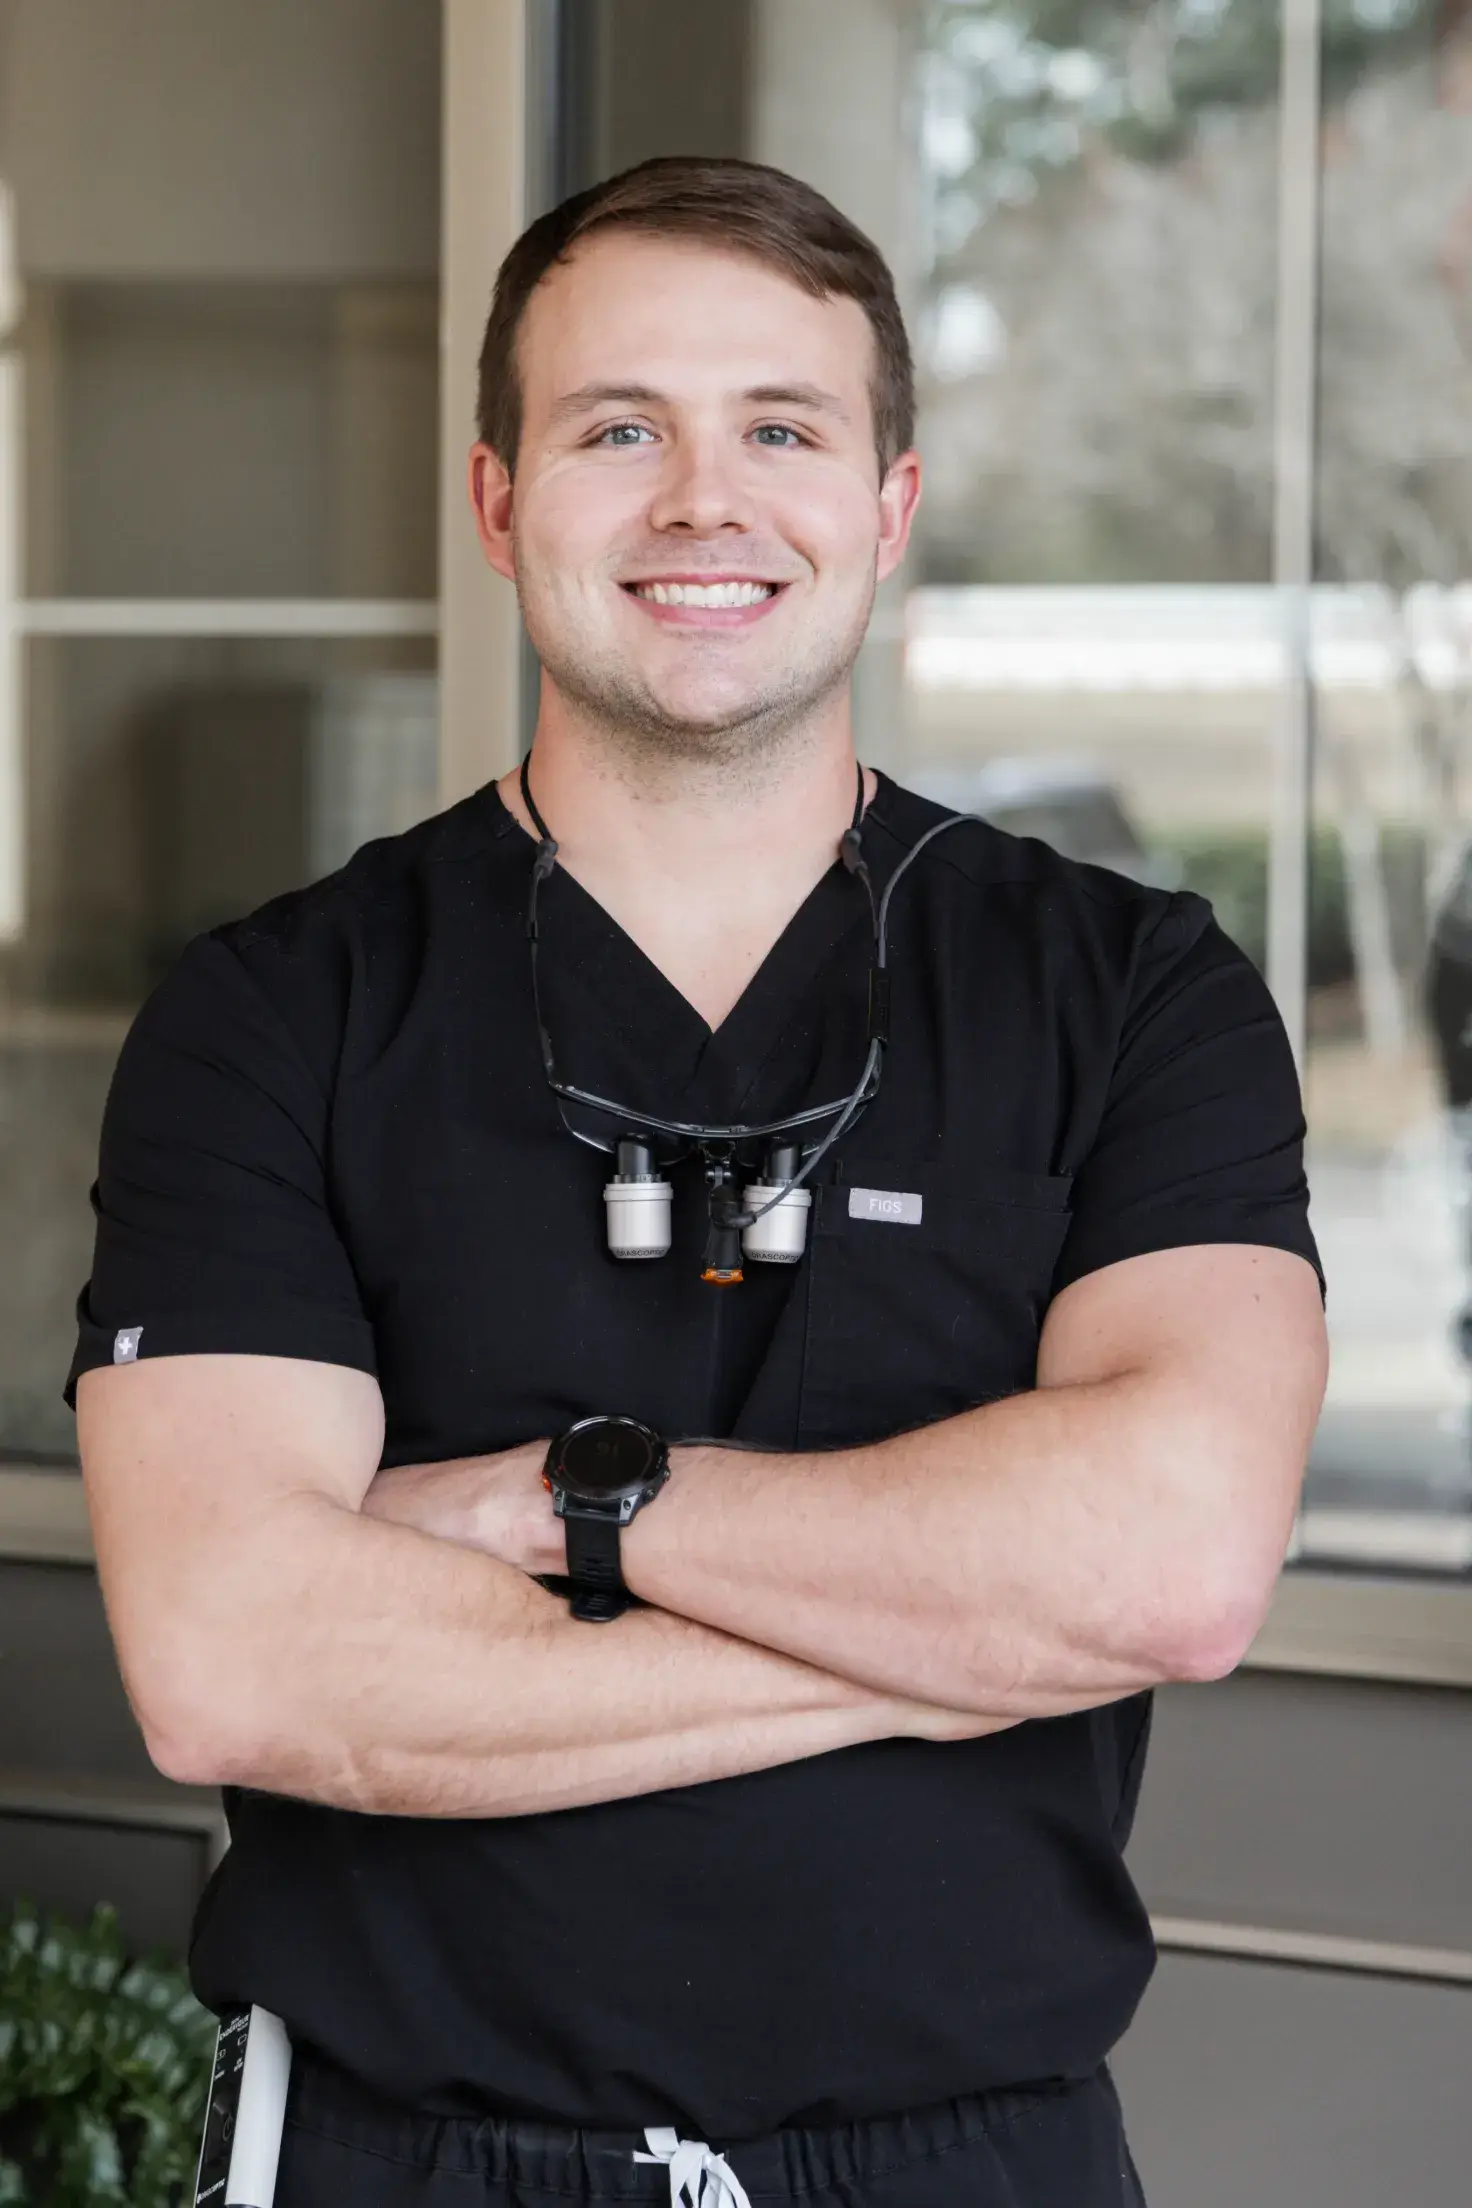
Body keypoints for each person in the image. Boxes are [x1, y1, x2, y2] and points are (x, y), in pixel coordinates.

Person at [69, 156, 1328, 2208]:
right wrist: (965, 1628)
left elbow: (1169, 1567)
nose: (700, 501)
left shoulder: (1126, 992)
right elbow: (239, 1663)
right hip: (406, 2163)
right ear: (496, 499)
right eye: (618, 428)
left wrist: (566, 1505)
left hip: (970, 2164)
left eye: (779, 429)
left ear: (888, 508)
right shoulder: (274, 1016)